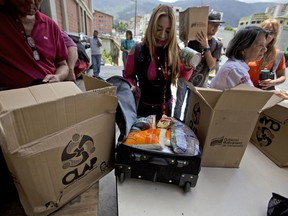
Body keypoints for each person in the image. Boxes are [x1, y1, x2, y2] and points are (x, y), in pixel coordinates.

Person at [124, 4, 192, 120]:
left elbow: (184, 76)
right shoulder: (138, 49)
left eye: (168, 31)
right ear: (151, 26)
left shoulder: (174, 51)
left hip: (165, 110)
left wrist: (187, 67)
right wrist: (131, 85)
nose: (162, 35)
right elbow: (128, 76)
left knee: (163, 138)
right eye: (159, 29)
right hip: (142, 110)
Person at [0, 0, 69, 90]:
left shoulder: (51, 25)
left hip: (49, 92)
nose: (32, 2)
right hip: (11, 98)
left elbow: (63, 65)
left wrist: (58, 77)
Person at [173, 10, 224, 121]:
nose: (215, 28)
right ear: (205, 23)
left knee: (190, 108)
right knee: (178, 105)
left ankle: (185, 129)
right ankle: (174, 126)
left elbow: (211, 65)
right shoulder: (193, 39)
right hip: (184, 78)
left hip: (199, 83)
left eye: (217, 25)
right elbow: (184, 56)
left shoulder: (217, 44)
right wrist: (185, 42)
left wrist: (206, 46)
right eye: (212, 24)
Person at [210, 26, 268, 90]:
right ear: (243, 48)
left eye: (265, 45)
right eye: (260, 45)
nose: (265, 49)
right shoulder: (237, 69)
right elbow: (252, 96)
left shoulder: (235, 66)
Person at [248, 19, 286, 90]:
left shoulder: (278, 54)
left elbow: (282, 76)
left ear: (275, 35)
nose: (268, 35)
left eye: (271, 33)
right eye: (265, 31)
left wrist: (272, 82)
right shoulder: (247, 48)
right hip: (241, 89)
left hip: (261, 92)